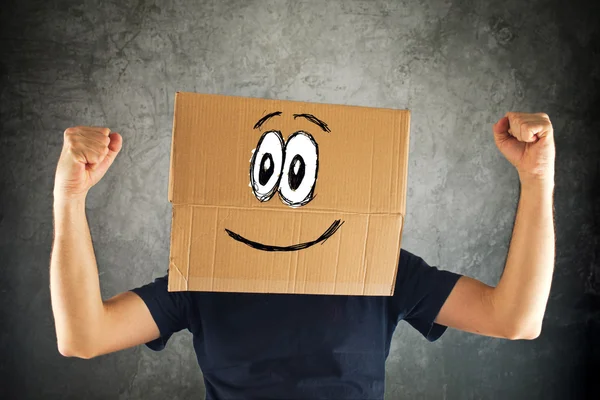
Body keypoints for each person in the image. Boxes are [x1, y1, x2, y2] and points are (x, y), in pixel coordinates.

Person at [50, 112, 555, 400]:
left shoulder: (376, 262)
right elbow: (83, 337)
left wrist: (536, 180)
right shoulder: (208, 267)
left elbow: (514, 319)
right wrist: (69, 197)